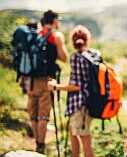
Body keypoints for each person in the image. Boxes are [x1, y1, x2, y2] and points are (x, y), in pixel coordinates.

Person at [48, 25, 95, 157]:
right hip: (89, 103)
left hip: (80, 104)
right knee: (74, 134)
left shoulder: (77, 57)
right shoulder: (93, 54)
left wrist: (56, 86)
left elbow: (77, 86)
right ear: (87, 39)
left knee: (84, 139)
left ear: (72, 40)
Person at [26, 10, 67, 153]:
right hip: (48, 79)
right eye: (58, 21)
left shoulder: (35, 34)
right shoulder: (56, 36)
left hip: (31, 79)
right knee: (43, 115)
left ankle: (37, 141)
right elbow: (64, 58)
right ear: (54, 21)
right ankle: (40, 145)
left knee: (33, 113)